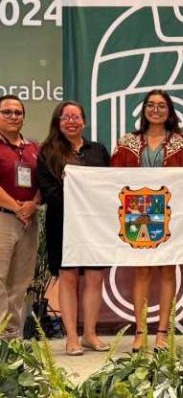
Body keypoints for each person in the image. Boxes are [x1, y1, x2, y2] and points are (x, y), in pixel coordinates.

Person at [110, 89, 183, 351]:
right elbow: (111, 178)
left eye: (162, 105)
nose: (156, 110)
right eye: (151, 105)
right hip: (136, 214)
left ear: (169, 111)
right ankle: (140, 332)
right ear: (144, 110)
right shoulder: (127, 142)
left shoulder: (182, 143)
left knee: (168, 271)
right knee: (141, 271)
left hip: (169, 214)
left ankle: (163, 334)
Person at [36, 101, 110, 355]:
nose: (71, 121)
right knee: (68, 278)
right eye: (65, 117)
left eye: (76, 117)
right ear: (58, 122)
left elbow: (108, 185)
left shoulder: (98, 150)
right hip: (62, 222)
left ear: (84, 122)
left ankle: (90, 334)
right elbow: (48, 189)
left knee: (95, 277)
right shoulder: (48, 151)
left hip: (95, 224)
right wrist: (76, 203)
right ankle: (71, 338)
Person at [0, 95, 41, 340]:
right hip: (4, 218)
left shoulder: (34, 148)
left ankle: (12, 337)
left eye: (18, 112)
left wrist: (33, 203)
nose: (13, 116)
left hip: (29, 221)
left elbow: (44, 182)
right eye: (6, 112)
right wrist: (17, 208)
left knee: (20, 282)